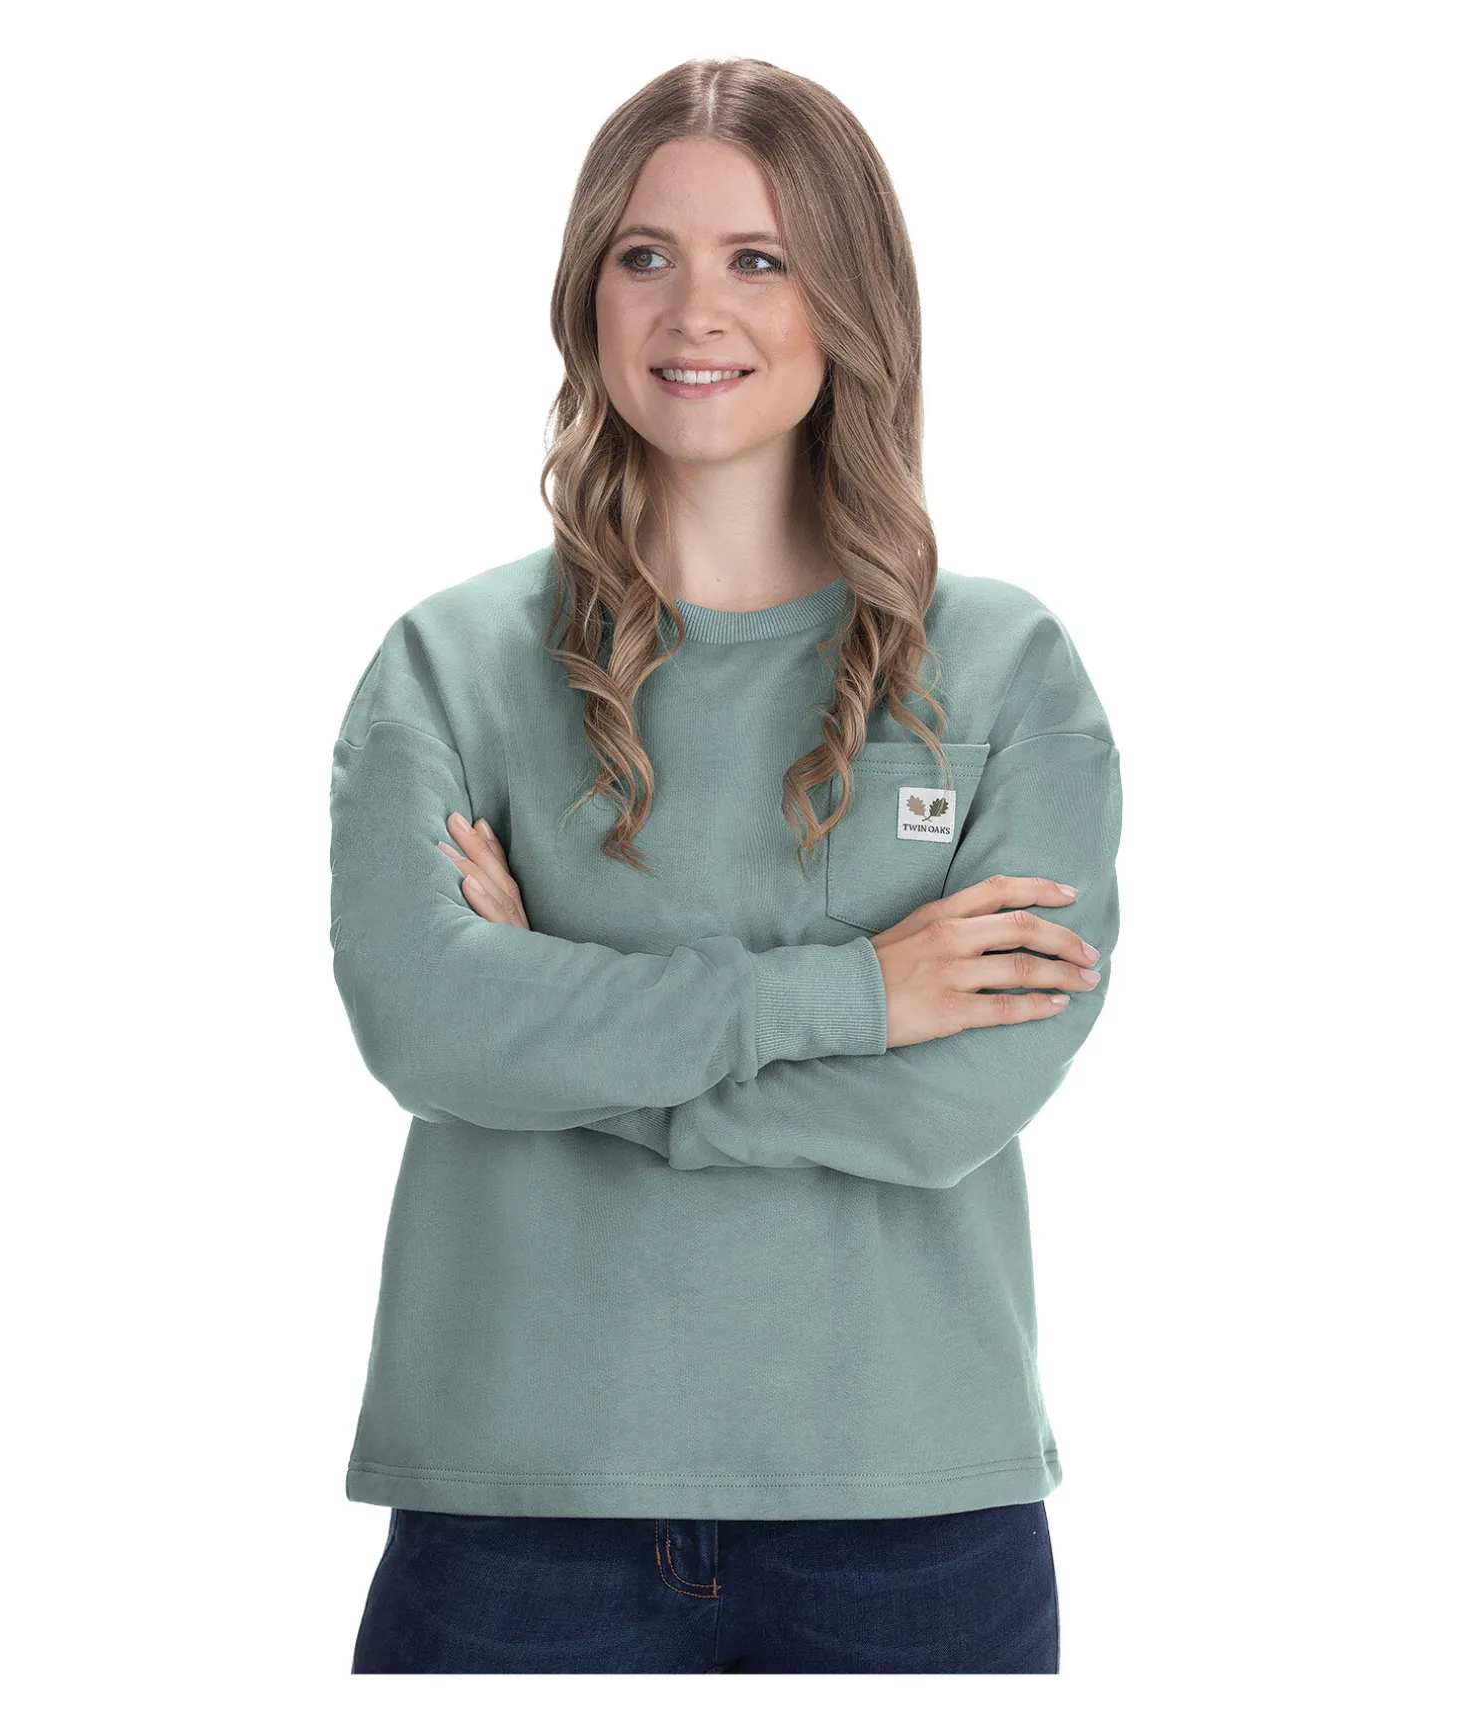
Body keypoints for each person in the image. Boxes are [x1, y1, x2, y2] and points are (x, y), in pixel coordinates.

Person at [330, 55, 1122, 1675]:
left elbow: (957, 1099)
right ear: (587, 293)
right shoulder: (449, 665)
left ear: (847, 297)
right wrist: (859, 993)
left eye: (758, 257)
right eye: (646, 255)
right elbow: (425, 1026)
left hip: (909, 1501)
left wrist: (558, 1042)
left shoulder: (1003, 668)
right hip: (517, 1494)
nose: (694, 309)